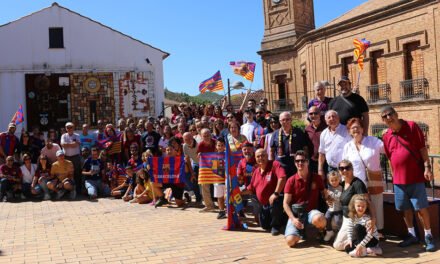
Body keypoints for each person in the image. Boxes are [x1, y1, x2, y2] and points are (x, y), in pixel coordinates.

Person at [381, 105, 436, 252]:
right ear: (383, 121)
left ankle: (428, 236)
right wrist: (393, 176)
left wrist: (427, 167)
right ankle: (411, 235)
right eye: (385, 116)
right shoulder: (386, 136)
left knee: (422, 209)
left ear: (396, 114)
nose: (388, 117)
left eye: (390, 114)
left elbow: (422, 149)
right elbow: (389, 157)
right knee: (405, 209)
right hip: (399, 181)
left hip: (416, 178)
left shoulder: (411, 126)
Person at [342, 117, 385, 236]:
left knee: (376, 204)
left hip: (374, 177)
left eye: (358, 127)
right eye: (352, 128)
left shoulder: (373, 141)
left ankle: (378, 231)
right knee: (361, 206)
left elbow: (388, 149)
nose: (355, 130)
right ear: (349, 131)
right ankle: (364, 231)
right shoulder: (347, 146)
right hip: (358, 182)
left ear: (362, 129)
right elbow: (345, 164)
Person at [283, 150, 327, 247]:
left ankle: (321, 232)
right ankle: (299, 233)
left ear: (308, 162)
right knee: (290, 242)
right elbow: (285, 203)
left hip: (311, 212)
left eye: (302, 161)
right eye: (297, 161)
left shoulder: (316, 178)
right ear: (294, 163)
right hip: (296, 215)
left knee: (320, 219)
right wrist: (293, 219)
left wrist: (331, 199)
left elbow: (325, 194)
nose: (300, 163)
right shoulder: (291, 180)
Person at [242, 149, 286, 236]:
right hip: (264, 205)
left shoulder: (274, 164)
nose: (260, 158)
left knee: (275, 201)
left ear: (267, 156)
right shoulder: (256, 171)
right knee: (264, 226)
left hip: (276, 200)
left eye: (263, 155)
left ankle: (276, 226)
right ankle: (279, 221)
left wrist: (276, 193)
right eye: (258, 156)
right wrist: (236, 192)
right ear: (255, 158)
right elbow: (250, 188)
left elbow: (282, 177)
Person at [333, 160, 374, 251]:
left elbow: (368, 202)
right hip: (343, 216)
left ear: (352, 169)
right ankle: (353, 238)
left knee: (338, 245)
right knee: (328, 220)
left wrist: (373, 219)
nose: (344, 170)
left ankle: (358, 242)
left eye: (347, 168)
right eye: (341, 168)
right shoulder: (342, 184)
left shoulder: (357, 184)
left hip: (353, 219)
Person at [271, 111, 311, 178]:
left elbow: (305, 148)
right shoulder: (275, 133)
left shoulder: (298, 132)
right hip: (280, 166)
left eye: (287, 119)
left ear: (291, 120)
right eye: (283, 120)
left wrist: (306, 162)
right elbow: (272, 150)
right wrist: (272, 164)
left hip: (296, 165)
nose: (285, 122)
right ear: (280, 121)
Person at [318, 110, 351, 177]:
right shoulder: (324, 134)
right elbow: (322, 153)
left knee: (346, 187)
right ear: (326, 121)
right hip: (331, 169)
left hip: (345, 168)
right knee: (332, 188)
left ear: (338, 118)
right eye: (329, 117)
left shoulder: (347, 130)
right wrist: (320, 169)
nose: (332, 119)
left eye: (334, 116)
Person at [197, 128, 216, 212]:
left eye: (208, 135)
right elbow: (198, 156)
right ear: (201, 136)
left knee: (220, 185)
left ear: (211, 135)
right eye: (204, 136)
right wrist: (199, 155)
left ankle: (226, 204)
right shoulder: (200, 145)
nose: (206, 137)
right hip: (206, 167)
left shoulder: (216, 142)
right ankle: (209, 205)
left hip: (217, 165)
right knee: (204, 184)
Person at [60, 122, 82, 195]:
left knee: (77, 173)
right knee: (66, 174)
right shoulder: (63, 135)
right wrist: (72, 144)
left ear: (73, 128)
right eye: (67, 127)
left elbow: (77, 144)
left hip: (75, 157)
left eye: (71, 127)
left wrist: (67, 144)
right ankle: (68, 189)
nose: (69, 129)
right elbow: (63, 144)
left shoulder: (77, 135)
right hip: (66, 157)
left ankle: (78, 189)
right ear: (66, 128)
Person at [305, 106, 327, 173]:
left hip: (326, 162)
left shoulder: (326, 127)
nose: (313, 115)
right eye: (311, 114)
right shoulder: (307, 129)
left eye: (315, 113)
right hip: (312, 162)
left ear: (320, 114)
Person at [323, 171, 343, 242]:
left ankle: (339, 233)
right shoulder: (329, 188)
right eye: (332, 180)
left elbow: (338, 197)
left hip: (338, 209)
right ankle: (329, 232)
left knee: (338, 221)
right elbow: (327, 197)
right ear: (329, 181)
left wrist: (329, 194)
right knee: (327, 217)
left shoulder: (340, 188)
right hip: (331, 209)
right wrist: (326, 196)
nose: (334, 182)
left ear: (339, 179)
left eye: (336, 180)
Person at [182, 132, 202, 203]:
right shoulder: (184, 146)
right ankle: (198, 198)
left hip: (204, 164)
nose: (188, 140)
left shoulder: (199, 143)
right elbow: (187, 160)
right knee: (193, 179)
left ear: (192, 137)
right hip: (195, 163)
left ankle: (212, 198)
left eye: (190, 138)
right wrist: (192, 172)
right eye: (186, 139)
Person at [214, 138, 227, 219]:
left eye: (222, 145)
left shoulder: (228, 154)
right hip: (217, 178)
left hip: (226, 179)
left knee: (229, 196)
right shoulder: (213, 156)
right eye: (219, 145)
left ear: (225, 146)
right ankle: (221, 211)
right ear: (216, 146)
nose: (221, 147)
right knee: (220, 196)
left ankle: (235, 211)